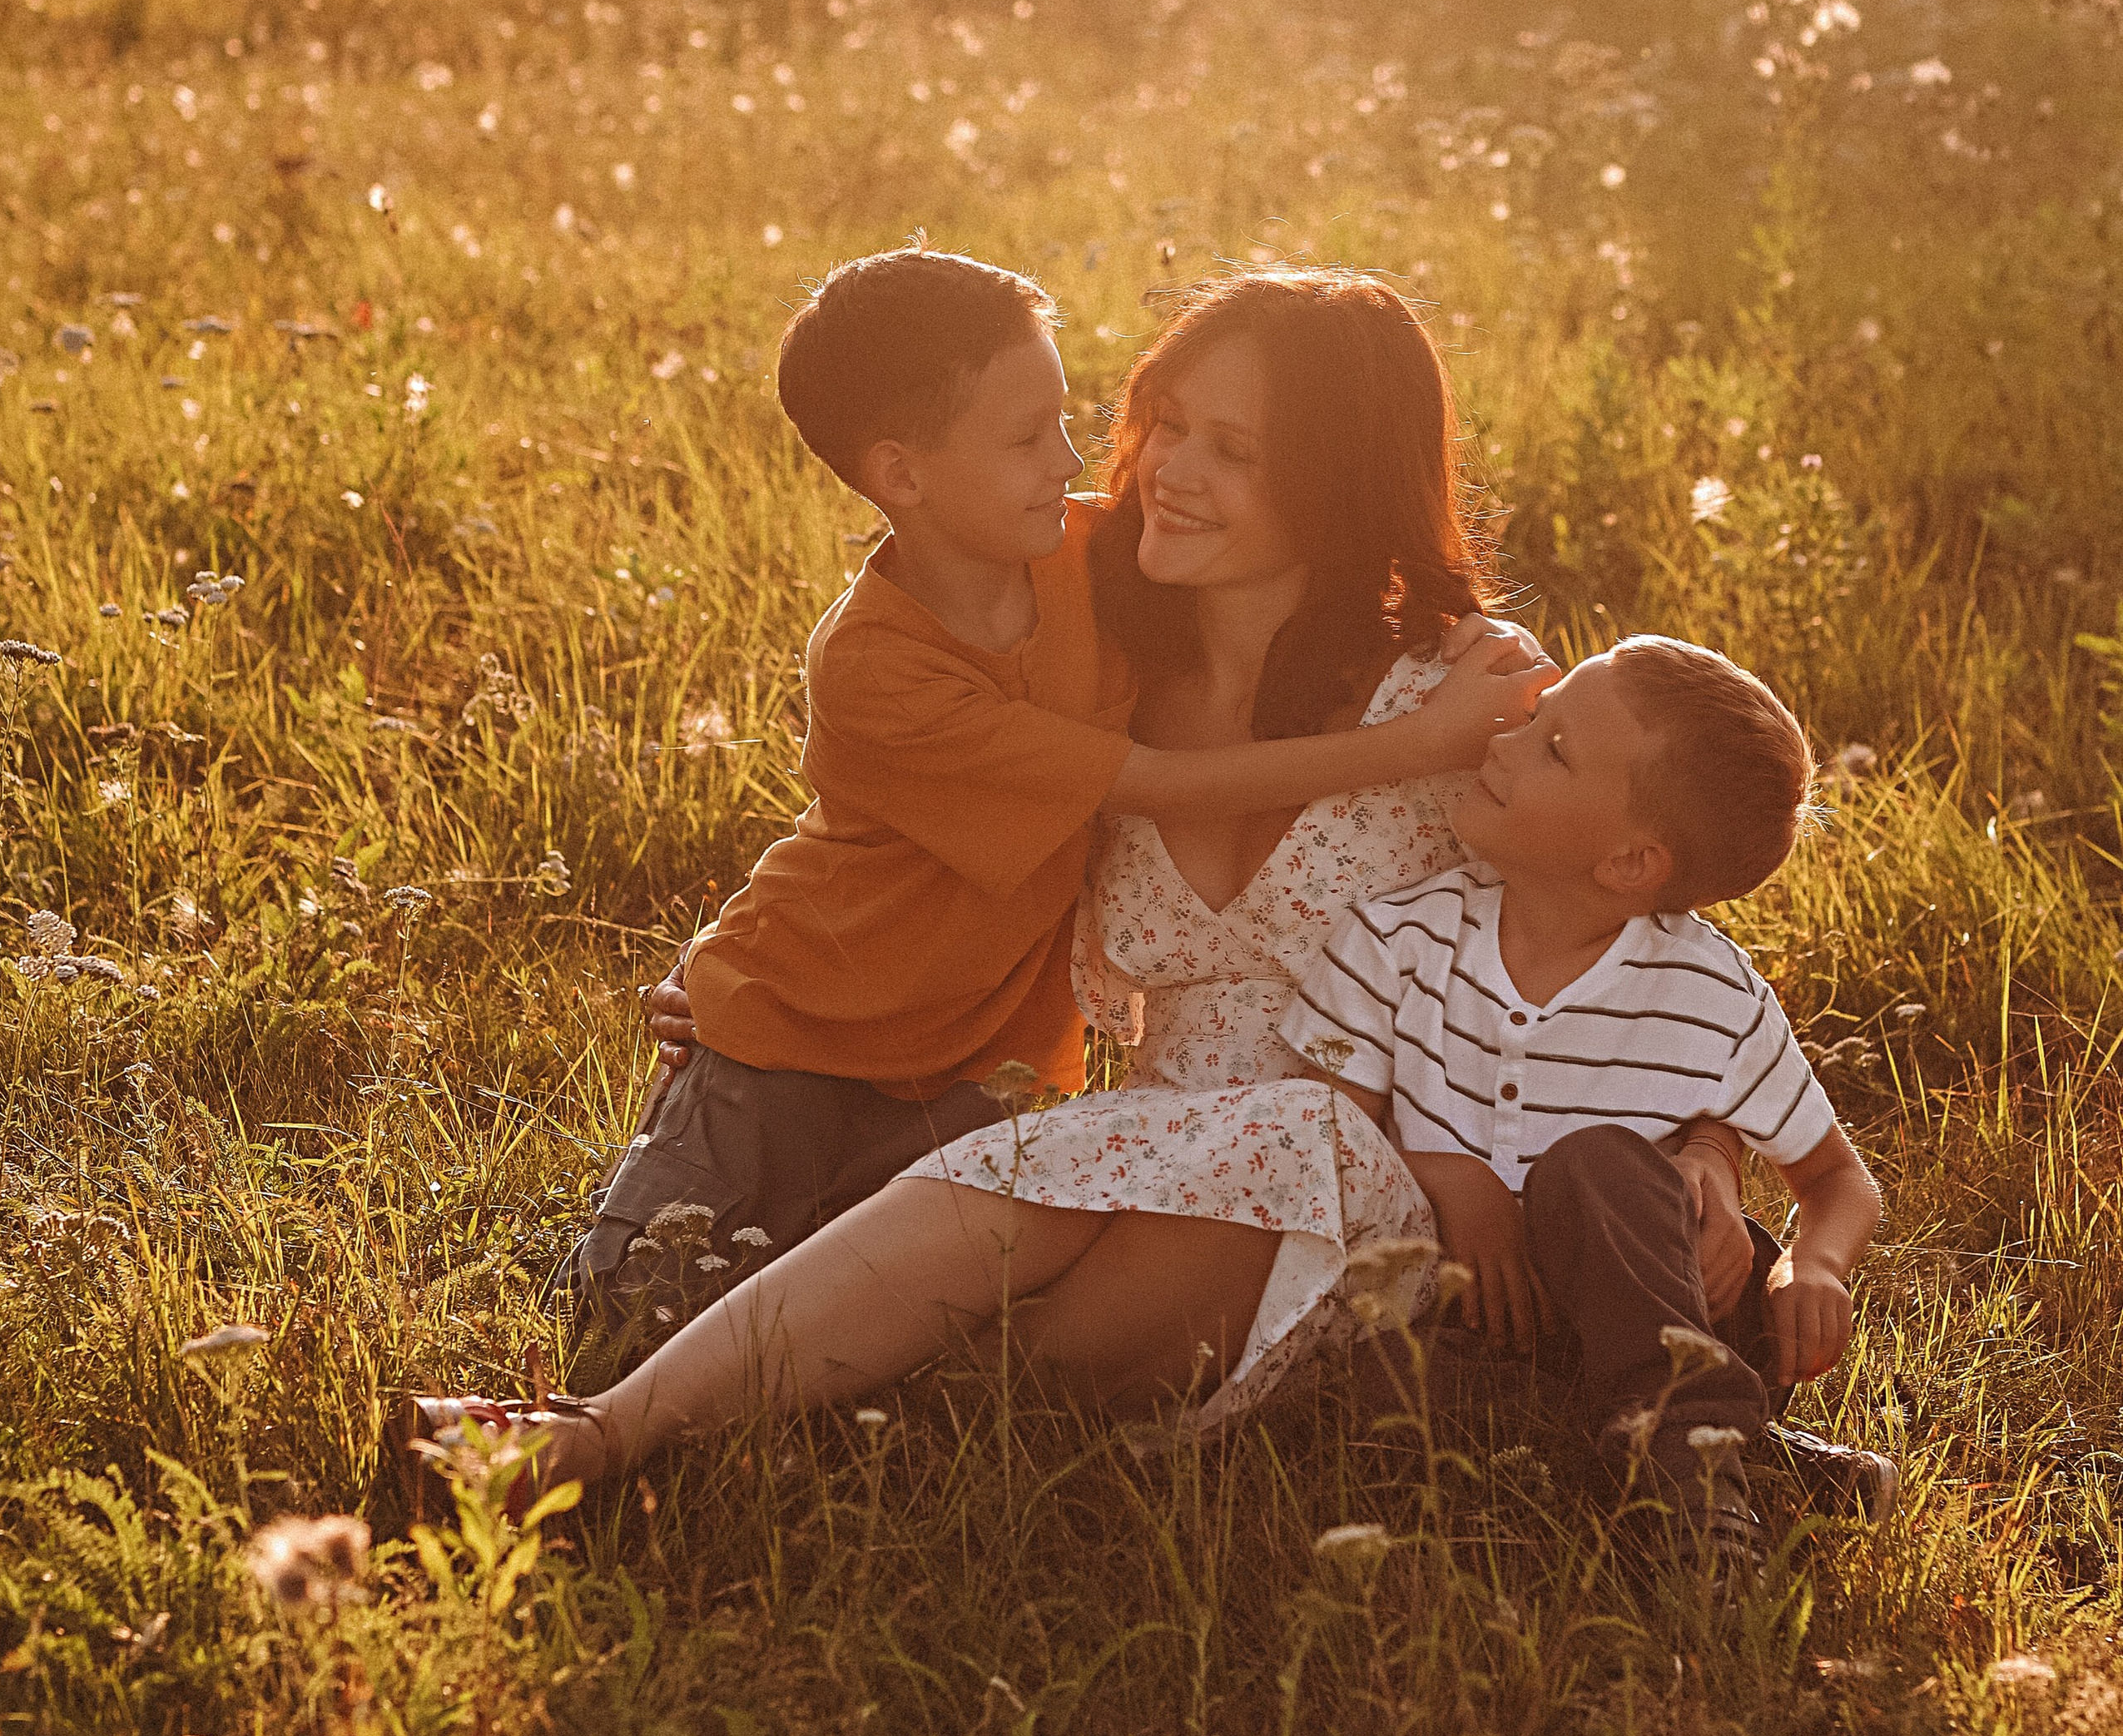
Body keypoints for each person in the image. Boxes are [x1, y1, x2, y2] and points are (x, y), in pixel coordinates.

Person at [410, 267, 1615, 1493]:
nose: (1166, 473)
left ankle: (866, 1412)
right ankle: (606, 1433)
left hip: (1382, 1181)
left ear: (1340, 479)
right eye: (1168, 425)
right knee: (986, 1191)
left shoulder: (1463, 702)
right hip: (1132, 1167)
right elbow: (896, 817)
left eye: (1233, 450)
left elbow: (1615, 946)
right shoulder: (1096, 647)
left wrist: (1686, 1175)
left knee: (1295, 1131)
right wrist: (741, 962)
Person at [1286, 633, 1892, 1575]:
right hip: (1486, 1327)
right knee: (1363, 1388)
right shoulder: (1394, 940)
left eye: (1553, 747)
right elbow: (1319, 1128)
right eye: (1537, 717)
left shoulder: (1710, 991)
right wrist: (1452, 1178)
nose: (1506, 740)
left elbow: (1836, 1180)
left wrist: (1811, 1271)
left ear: (1627, 861)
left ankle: (1694, 1456)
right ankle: (1739, 1458)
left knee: (1595, 1166)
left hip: (1674, 1310)